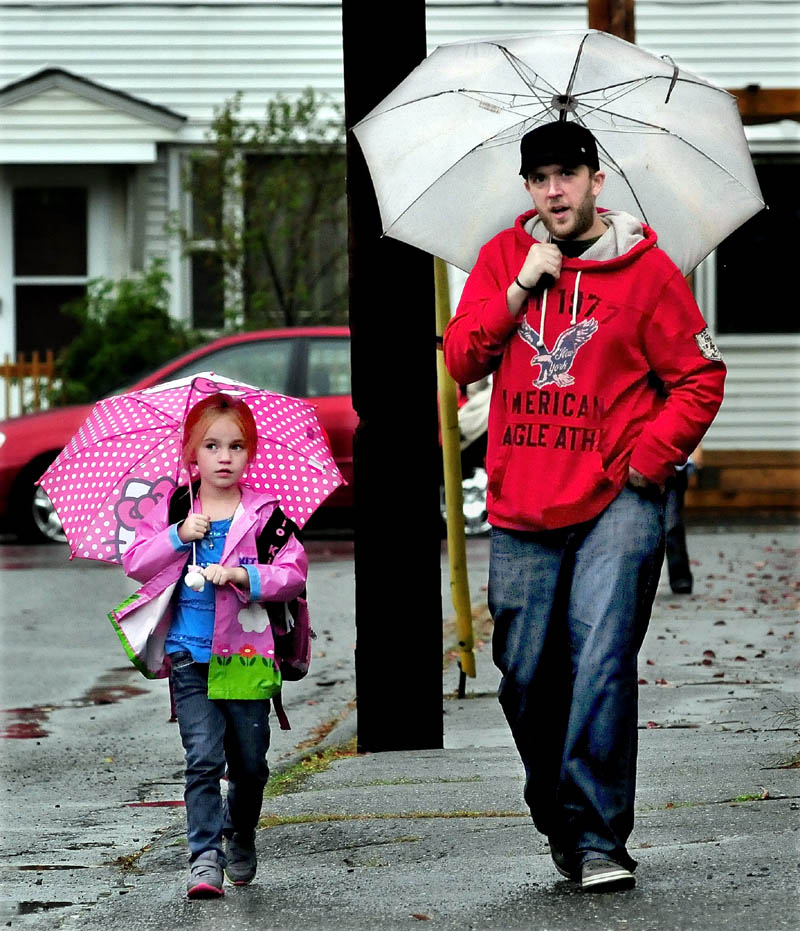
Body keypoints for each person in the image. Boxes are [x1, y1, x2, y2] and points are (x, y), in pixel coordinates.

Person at [443, 121, 726, 892]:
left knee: (601, 659)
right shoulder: (508, 257)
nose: (554, 190)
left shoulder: (648, 272)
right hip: (523, 502)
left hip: (617, 499)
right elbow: (462, 356)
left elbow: (701, 376)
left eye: (568, 174)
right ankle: (560, 814)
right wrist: (519, 286)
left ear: (597, 181)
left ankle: (600, 835)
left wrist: (649, 458)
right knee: (527, 673)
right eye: (540, 179)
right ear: (529, 189)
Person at [114, 393, 308, 899]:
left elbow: (292, 572)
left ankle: (239, 831)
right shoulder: (176, 508)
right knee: (202, 758)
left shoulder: (266, 516)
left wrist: (243, 573)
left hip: (245, 655)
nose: (224, 457)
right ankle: (205, 857)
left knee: (250, 763)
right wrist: (179, 536)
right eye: (212, 446)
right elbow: (136, 562)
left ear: (251, 452)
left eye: (237, 446)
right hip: (188, 654)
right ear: (191, 455)